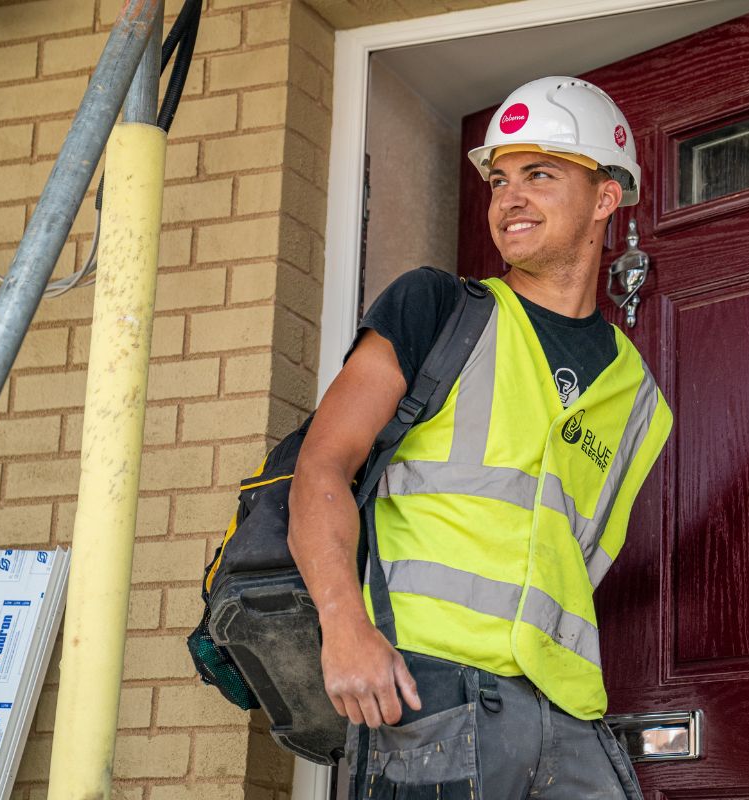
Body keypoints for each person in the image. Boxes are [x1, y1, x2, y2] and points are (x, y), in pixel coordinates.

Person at [287, 76, 672, 799]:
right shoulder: (437, 307)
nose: (509, 198)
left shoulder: (639, 399)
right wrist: (345, 627)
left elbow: (579, 559)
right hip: (427, 688)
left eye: (540, 175)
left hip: (568, 710)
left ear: (605, 198)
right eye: (500, 179)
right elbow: (321, 467)